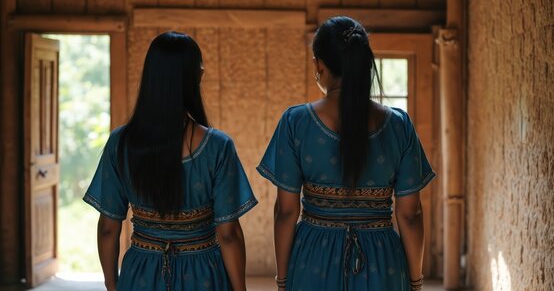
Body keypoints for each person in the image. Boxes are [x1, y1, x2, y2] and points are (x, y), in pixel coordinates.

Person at [257, 16, 435, 291]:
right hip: (382, 261)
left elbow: (286, 210)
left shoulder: (295, 122)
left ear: (318, 64)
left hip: (312, 258)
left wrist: (283, 280)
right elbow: (411, 215)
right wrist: (415, 282)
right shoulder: (398, 125)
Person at [84, 31, 257, 291]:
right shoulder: (218, 146)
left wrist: (112, 284)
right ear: (195, 77)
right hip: (204, 274)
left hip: (140, 272)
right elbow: (228, 233)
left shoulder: (121, 143)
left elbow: (108, 228)